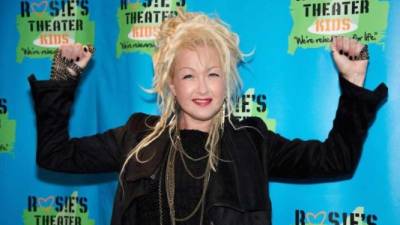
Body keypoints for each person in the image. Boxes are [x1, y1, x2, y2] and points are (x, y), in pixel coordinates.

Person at [28, 11, 387, 225]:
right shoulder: (137, 137)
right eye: (189, 75)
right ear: (171, 82)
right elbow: (55, 154)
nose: (203, 87)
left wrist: (352, 86)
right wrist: (63, 82)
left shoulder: (251, 138)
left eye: (213, 74)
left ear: (227, 78)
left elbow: (334, 160)